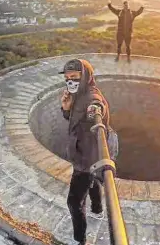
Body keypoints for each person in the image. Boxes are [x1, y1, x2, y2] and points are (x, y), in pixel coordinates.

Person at [59, 58, 110, 245]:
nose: (70, 81)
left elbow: (97, 108)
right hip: (86, 153)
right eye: (67, 78)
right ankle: (97, 210)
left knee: (73, 202)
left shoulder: (91, 97)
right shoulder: (78, 95)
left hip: (86, 157)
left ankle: (79, 240)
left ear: (85, 76)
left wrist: (95, 111)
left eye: (74, 77)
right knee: (93, 181)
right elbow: (75, 121)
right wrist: (66, 109)